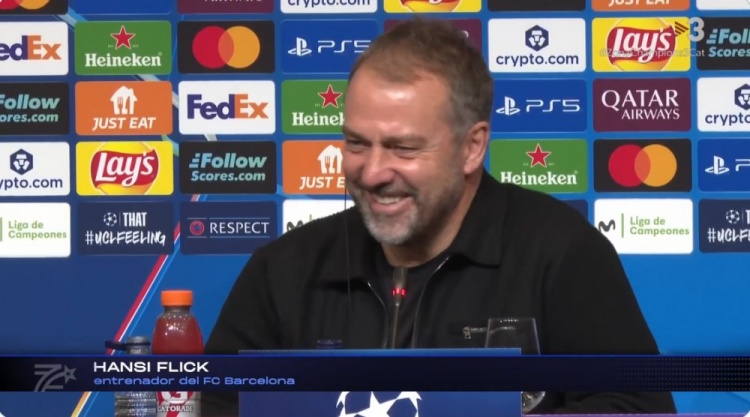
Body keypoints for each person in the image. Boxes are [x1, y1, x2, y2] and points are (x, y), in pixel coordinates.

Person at [202, 17, 676, 416]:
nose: (373, 172)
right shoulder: (284, 269)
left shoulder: (562, 254)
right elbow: (220, 404)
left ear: (472, 147)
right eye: (356, 143)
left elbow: (635, 407)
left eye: (403, 148)